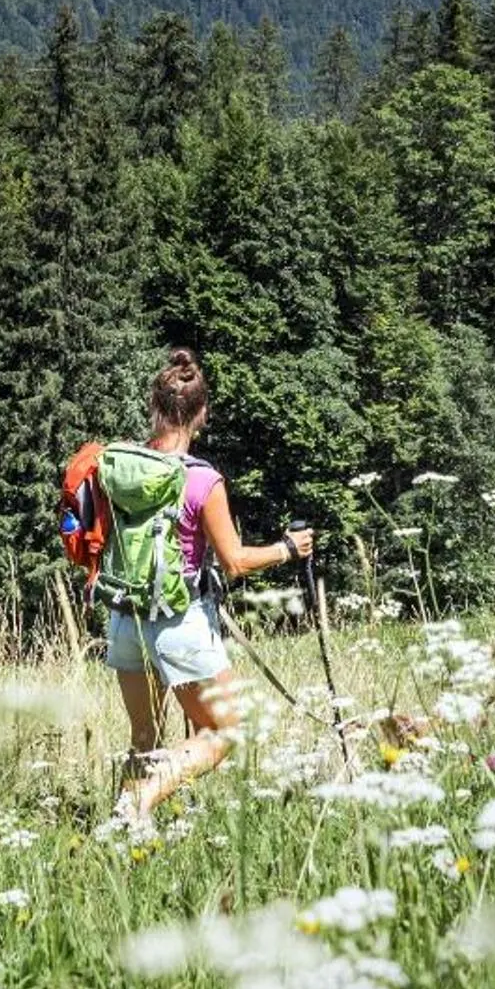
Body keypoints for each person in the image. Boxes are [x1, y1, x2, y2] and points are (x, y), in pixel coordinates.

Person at [106, 348, 312, 825]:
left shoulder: (118, 469)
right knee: (224, 731)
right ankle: (141, 801)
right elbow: (235, 561)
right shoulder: (202, 479)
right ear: (202, 412)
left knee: (144, 736)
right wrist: (288, 548)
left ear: (154, 406)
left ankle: (126, 826)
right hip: (179, 620)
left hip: (123, 615)